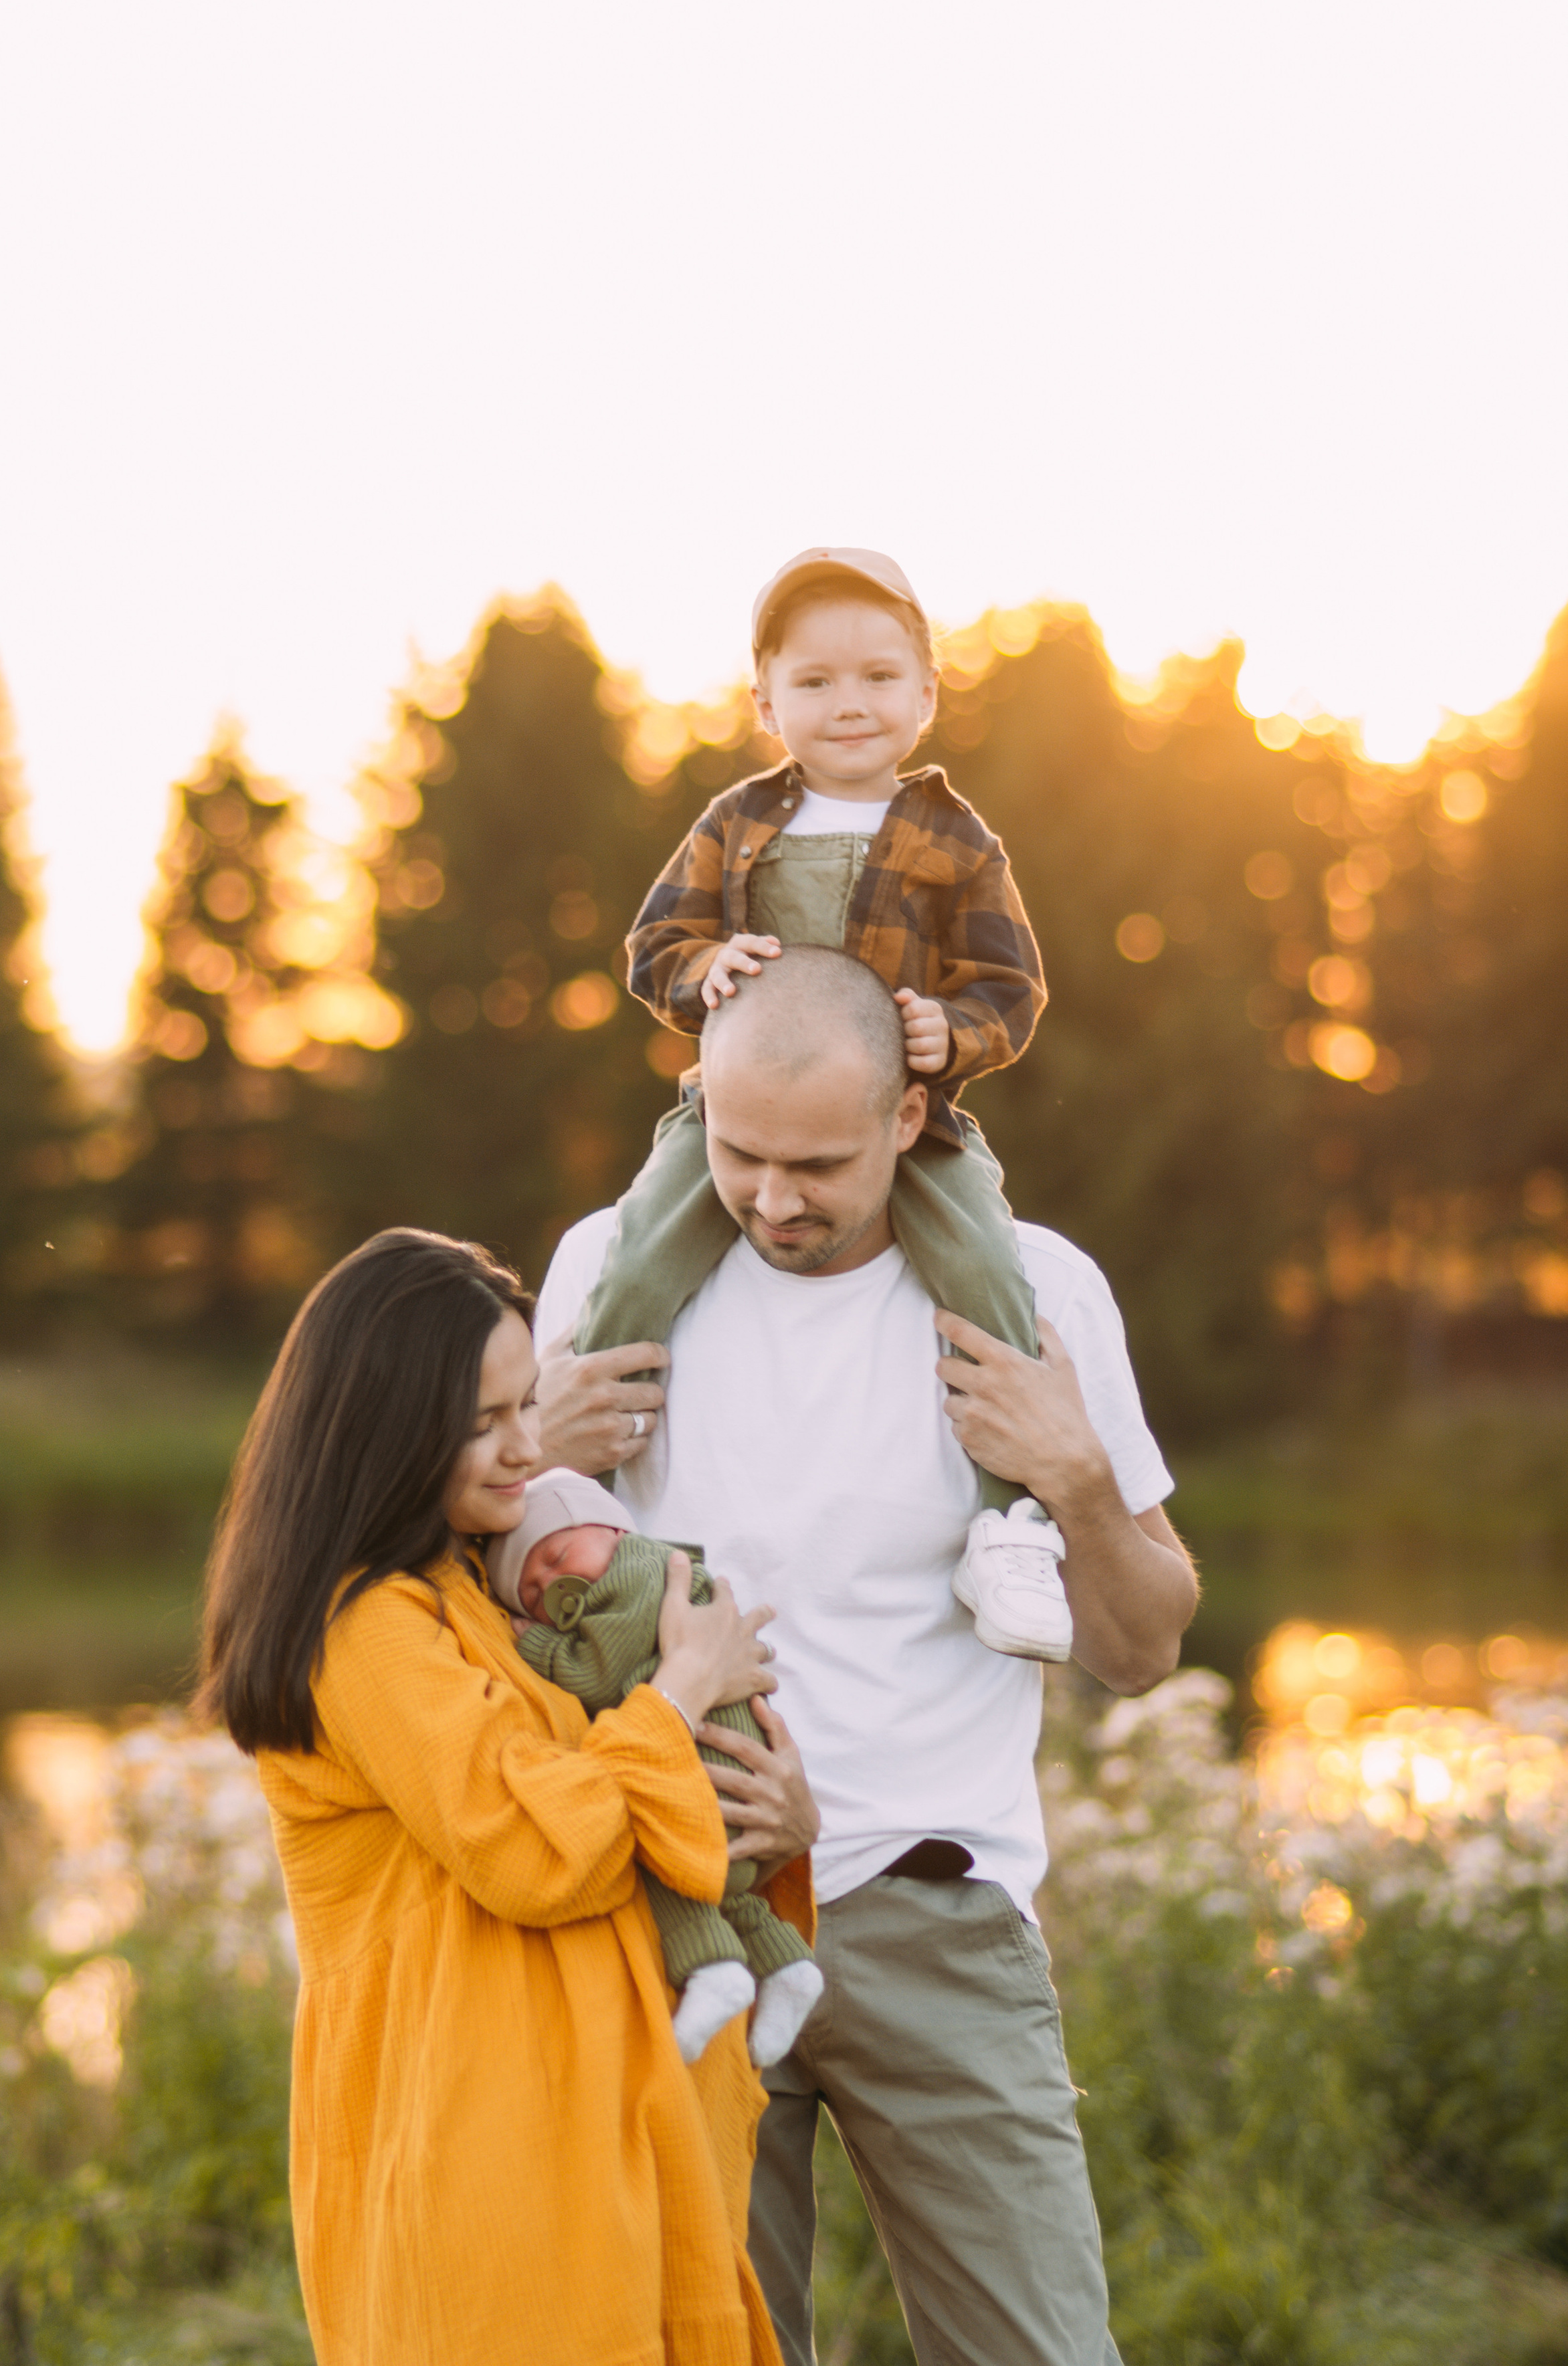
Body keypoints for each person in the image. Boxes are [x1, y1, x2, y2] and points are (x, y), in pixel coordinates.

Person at [534, 949, 1200, 2366]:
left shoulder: (1033, 1293)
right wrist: (531, 1451)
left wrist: (1073, 1477)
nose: (772, 1199)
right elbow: (512, 1608)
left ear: (908, 1119)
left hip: (935, 1921)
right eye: (737, 1152)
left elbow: (1141, 1649)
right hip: (680, 1923)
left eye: (818, 1163)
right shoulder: (607, 1276)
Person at [197, 1227, 796, 2366]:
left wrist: (769, 1793)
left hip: (585, 2142)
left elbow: (615, 1792)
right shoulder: (363, 1631)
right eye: (483, 1423)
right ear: (383, 1436)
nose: (526, 1449)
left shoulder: (478, 1591)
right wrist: (680, 1692)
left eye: (528, 1404)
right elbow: (532, 1847)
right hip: (482, 2157)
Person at [575, 545, 1073, 1664]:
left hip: (906, 1124)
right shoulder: (733, 822)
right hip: (734, 1117)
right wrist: (703, 971)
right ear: (766, 703)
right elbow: (654, 944)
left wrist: (959, 1035)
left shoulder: (957, 839)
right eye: (815, 682)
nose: (849, 703)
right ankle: (584, 1495)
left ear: (928, 693)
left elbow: (1010, 985)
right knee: (640, 1256)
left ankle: (1012, 1526)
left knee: (988, 1271)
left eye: (878, 677)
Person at [488, 1465, 825, 2066]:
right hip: (724, 1771)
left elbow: (599, 1673)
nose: (551, 1580)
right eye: (534, 1595)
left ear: (613, 1529)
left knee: (655, 1852)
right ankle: (787, 1966)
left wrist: (533, 1642)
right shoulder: (626, 1581)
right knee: (725, 1888)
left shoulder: (642, 1570)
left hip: (712, 1762)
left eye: (559, 1553)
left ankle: (713, 1967)